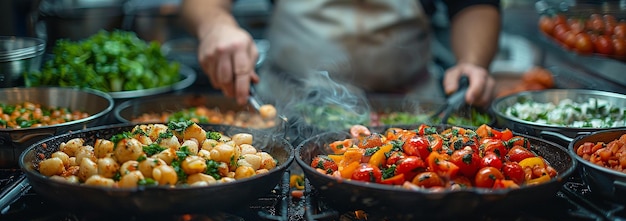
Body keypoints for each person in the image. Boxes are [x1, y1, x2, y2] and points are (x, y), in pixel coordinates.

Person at [180, 0, 501, 108]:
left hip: (413, 108)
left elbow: (474, 4)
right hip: (289, 105)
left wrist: (471, 62)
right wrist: (215, 26)